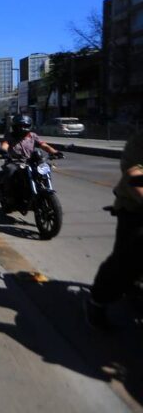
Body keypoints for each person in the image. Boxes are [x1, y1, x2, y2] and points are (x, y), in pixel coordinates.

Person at [85, 133, 143, 330]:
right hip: (136, 206)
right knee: (128, 258)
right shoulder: (139, 140)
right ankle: (97, 301)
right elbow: (134, 174)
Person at [0, 114, 63, 205]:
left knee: (44, 168)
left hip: (31, 161)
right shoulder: (10, 136)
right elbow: (5, 144)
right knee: (10, 170)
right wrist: (3, 150)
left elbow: (43, 145)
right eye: (20, 126)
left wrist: (54, 152)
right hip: (15, 161)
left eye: (25, 126)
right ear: (15, 126)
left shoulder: (32, 136)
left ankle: (43, 188)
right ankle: (9, 196)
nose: (23, 128)